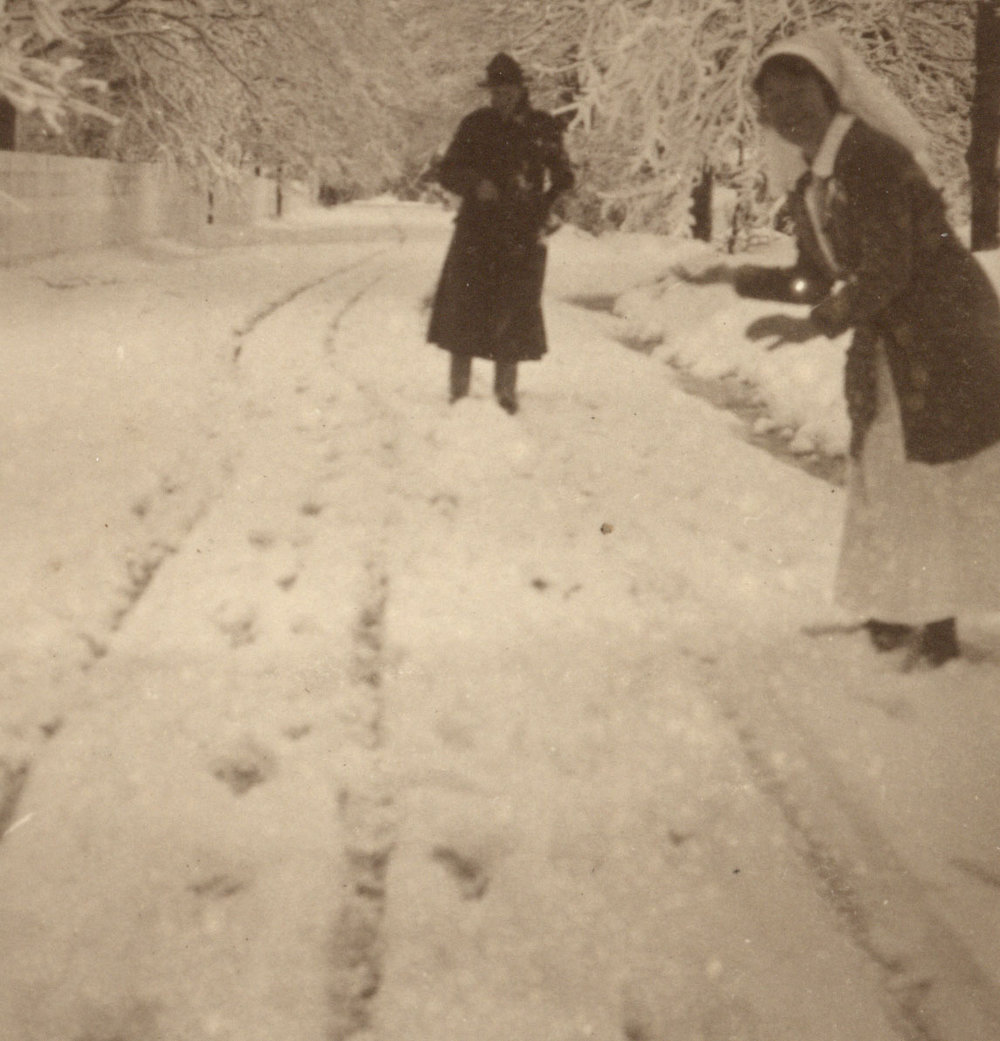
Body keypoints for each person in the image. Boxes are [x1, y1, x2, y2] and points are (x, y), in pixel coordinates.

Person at [693, 29, 1000, 668]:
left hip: (945, 336)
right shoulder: (814, 179)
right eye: (771, 98)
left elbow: (889, 268)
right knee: (892, 468)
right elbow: (818, 272)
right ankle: (898, 613)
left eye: (798, 91)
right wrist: (734, 277)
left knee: (927, 471)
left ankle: (933, 633)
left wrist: (817, 324)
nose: (786, 108)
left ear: (830, 92)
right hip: (898, 334)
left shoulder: (872, 157)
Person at [427, 52, 575, 414]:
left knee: (513, 313)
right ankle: (458, 391)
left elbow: (564, 177)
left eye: (506, 89)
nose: (499, 96)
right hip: (475, 233)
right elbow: (448, 171)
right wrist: (475, 183)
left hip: (519, 236)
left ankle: (506, 393)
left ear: (520, 88)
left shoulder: (542, 127)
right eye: (494, 90)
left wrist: (543, 210)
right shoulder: (475, 124)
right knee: (464, 312)